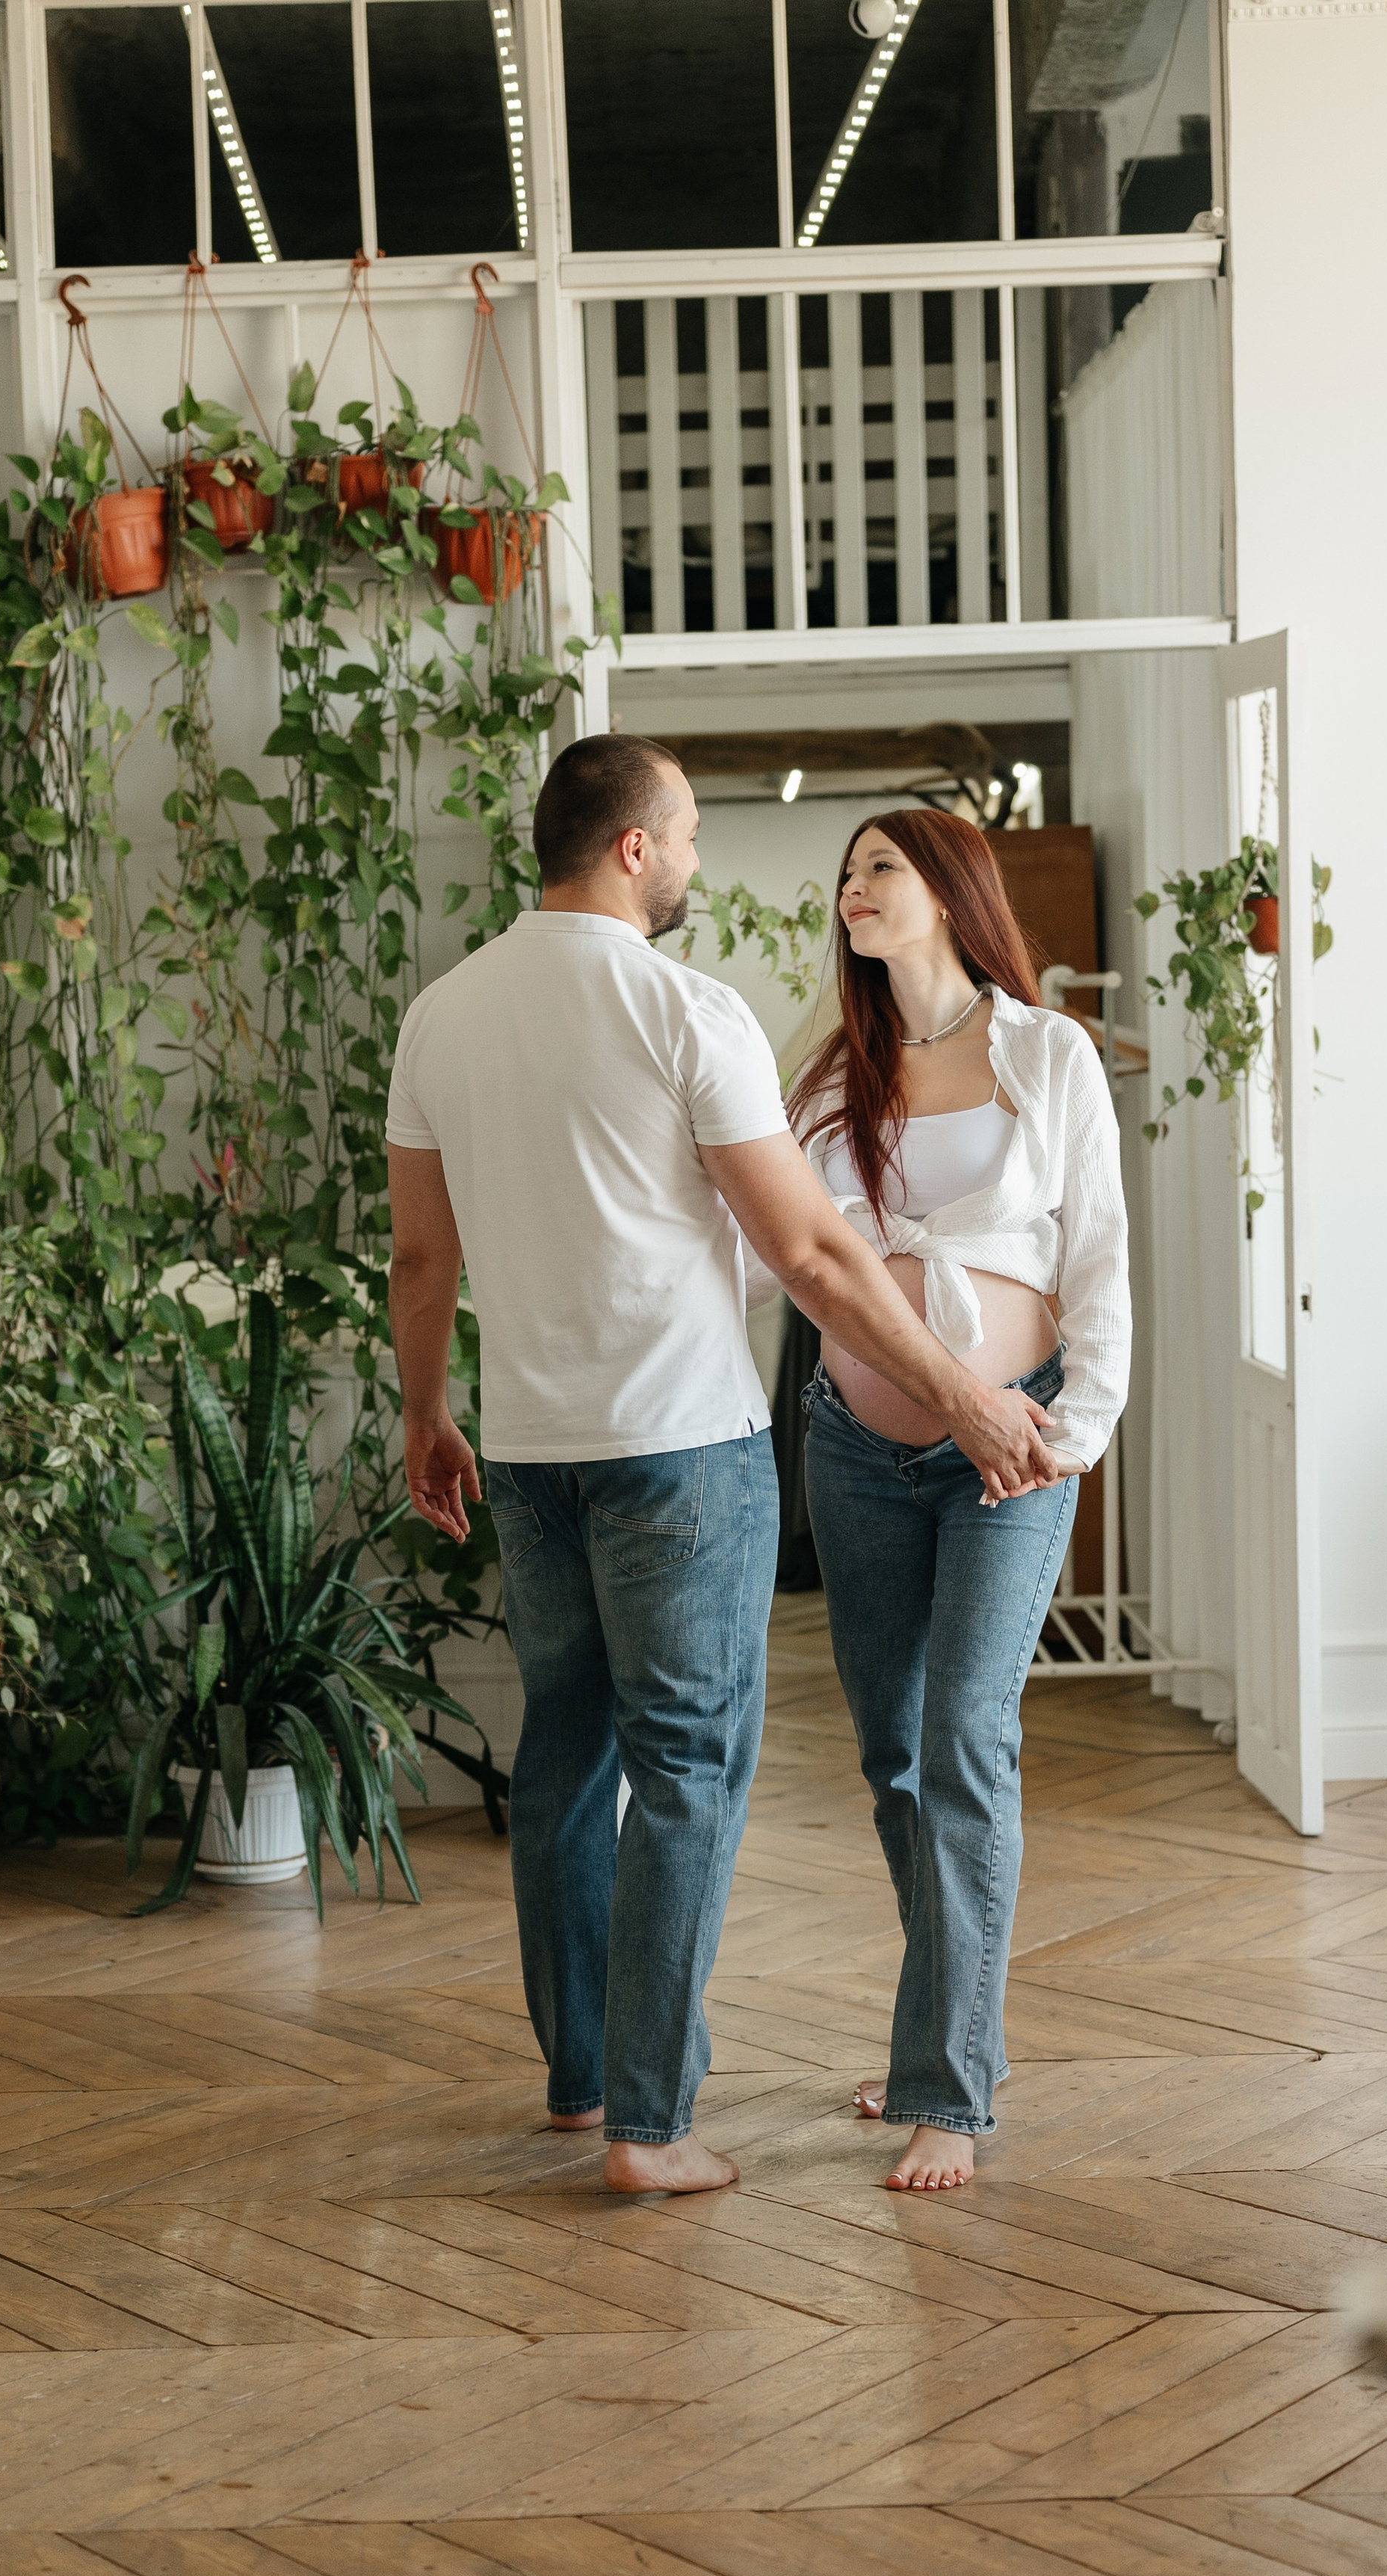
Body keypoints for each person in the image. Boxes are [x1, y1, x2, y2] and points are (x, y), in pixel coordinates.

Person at [386, 736, 1062, 2195]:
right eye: (685, 835)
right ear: (633, 848)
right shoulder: (686, 1010)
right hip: (681, 1455)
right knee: (685, 1768)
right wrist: (958, 1391)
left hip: (525, 1453)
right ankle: (650, 2126)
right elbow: (809, 1249)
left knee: (564, 1753)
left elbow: (420, 1253)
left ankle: (581, 2081)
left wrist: (421, 1414)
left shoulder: (440, 1016)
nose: (693, 861)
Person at [779, 809, 1129, 2193]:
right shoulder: (831, 1078)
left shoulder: (1047, 1052)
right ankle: (944, 2026)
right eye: (848, 874)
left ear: (948, 892)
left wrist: (1076, 1433)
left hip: (1014, 1444)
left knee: (966, 1737)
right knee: (896, 1761)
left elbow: (1095, 1251)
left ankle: (949, 2092)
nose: (853, 890)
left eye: (880, 868)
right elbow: (787, 1263)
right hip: (855, 1455)